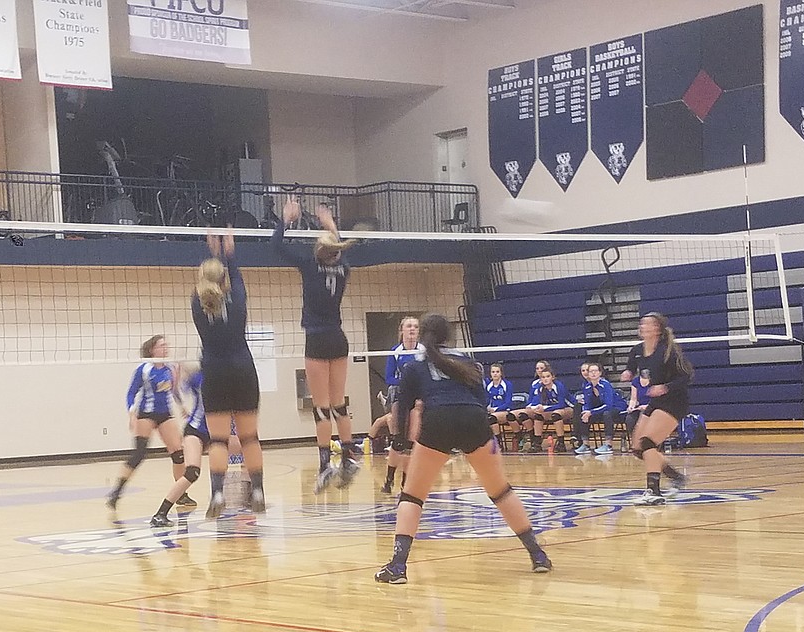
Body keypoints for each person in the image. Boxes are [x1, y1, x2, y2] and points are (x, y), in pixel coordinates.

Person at [374, 314, 551, 585]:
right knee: (501, 491)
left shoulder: (413, 366)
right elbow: (481, 401)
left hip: (438, 422)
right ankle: (537, 555)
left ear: (422, 335)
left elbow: (403, 408)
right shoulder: (468, 361)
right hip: (474, 421)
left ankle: (397, 567)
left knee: (412, 496)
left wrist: (401, 443)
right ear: (448, 336)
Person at [274, 197, 359, 492]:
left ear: (317, 251)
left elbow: (278, 247)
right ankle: (348, 457)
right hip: (338, 338)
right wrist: (332, 226)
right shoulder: (344, 269)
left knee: (321, 408)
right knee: (339, 404)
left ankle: (325, 466)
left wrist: (287, 220)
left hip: (317, 339)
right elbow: (338, 253)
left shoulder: (310, 266)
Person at [192, 228, 265, 519]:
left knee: (219, 440)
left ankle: (218, 493)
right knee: (250, 437)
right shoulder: (238, 300)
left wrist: (212, 255)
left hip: (214, 373)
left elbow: (207, 282)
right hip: (243, 370)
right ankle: (258, 491)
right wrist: (227, 253)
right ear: (224, 278)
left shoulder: (196, 304)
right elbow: (233, 277)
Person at [107, 335, 191, 514]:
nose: (166, 348)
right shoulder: (143, 370)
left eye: (166, 345)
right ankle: (116, 492)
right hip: (146, 414)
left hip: (165, 414)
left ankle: (181, 494)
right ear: (152, 349)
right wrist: (132, 414)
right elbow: (131, 393)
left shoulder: (170, 368)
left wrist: (182, 406)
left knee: (178, 453)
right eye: (162, 345)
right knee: (139, 454)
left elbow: (174, 390)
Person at [621, 312, 694, 504]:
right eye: (641, 323)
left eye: (647, 324)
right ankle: (676, 477)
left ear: (657, 329)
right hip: (656, 402)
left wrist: (665, 387)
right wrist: (627, 373)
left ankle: (654, 492)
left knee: (648, 443)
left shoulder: (669, 351)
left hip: (674, 401)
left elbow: (686, 377)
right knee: (638, 449)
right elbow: (631, 367)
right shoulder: (637, 350)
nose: (642, 326)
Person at [150, 365, 206, 529]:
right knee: (192, 472)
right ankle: (160, 514)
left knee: (246, 446)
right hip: (196, 431)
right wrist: (180, 376)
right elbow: (176, 390)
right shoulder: (200, 377)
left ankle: (254, 496)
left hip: (219, 431)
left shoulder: (231, 377)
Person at [382, 315, 421, 494]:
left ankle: (406, 484)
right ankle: (389, 480)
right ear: (402, 330)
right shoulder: (396, 351)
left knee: (411, 443)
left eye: (415, 326)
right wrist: (405, 382)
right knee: (398, 441)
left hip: (418, 397)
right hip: (400, 394)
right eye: (409, 326)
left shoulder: (424, 351)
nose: (412, 329)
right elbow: (389, 377)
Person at [574, 362, 627, 455]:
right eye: (591, 371)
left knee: (607, 414)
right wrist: (586, 411)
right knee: (583, 413)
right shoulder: (587, 386)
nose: (593, 373)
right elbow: (587, 404)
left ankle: (608, 445)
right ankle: (585, 444)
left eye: (595, 371)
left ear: (600, 373)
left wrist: (591, 411)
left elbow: (608, 405)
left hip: (617, 408)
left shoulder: (605, 385)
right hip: (600, 410)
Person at [538, 363, 575, 453]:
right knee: (538, 415)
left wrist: (545, 408)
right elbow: (544, 404)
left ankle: (561, 443)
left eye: (547, 376)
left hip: (570, 408)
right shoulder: (541, 389)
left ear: (553, 377)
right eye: (543, 377)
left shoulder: (559, 386)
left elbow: (562, 404)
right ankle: (536, 443)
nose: (545, 379)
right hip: (555, 409)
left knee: (556, 415)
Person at [485, 363, 516, 439]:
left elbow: (508, 403)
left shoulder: (507, 384)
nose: (495, 374)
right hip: (492, 411)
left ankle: (498, 442)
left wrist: (495, 409)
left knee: (491, 419)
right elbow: (486, 400)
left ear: (501, 373)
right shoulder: (489, 386)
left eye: (497, 372)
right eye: (493, 372)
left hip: (504, 410)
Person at [625, 367, 652, 440]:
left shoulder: (656, 381)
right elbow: (633, 399)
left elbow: (658, 399)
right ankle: (635, 440)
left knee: (643, 415)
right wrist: (631, 407)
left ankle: (645, 440)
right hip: (640, 407)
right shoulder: (635, 381)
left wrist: (647, 406)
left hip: (653, 407)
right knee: (629, 418)